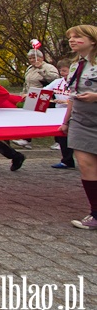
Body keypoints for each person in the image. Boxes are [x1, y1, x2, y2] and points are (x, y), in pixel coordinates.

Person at [60, 25, 97, 230]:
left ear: (93, 40)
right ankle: (95, 213)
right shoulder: (75, 66)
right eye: (70, 37)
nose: (72, 40)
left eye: (78, 37)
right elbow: (72, 96)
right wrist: (66, 121)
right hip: (81, 120)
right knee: (85, 164)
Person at [11, 49, 60, 149]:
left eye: (34, 58)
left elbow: (55, 79)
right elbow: (27, 82)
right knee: (28, 117)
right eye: (30, 58)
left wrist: (41, 69)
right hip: (31, 95)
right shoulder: (30, 68)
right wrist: (24, 93)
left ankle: (59, 141)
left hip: (44, 96)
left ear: (41, 58)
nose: (32, 60)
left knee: (50, 118)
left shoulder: (48, 67)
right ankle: (26, 139)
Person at [47, 59, 75, 169]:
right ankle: (67, 160)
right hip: (59, 113)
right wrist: (29, 95)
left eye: (65, 71)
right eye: (61, 71)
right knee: (62, 136)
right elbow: (45, 91)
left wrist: (66, 102)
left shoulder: (76, 83)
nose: (63, 73)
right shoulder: (58, 82)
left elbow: (78, 97)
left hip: (74, 113)